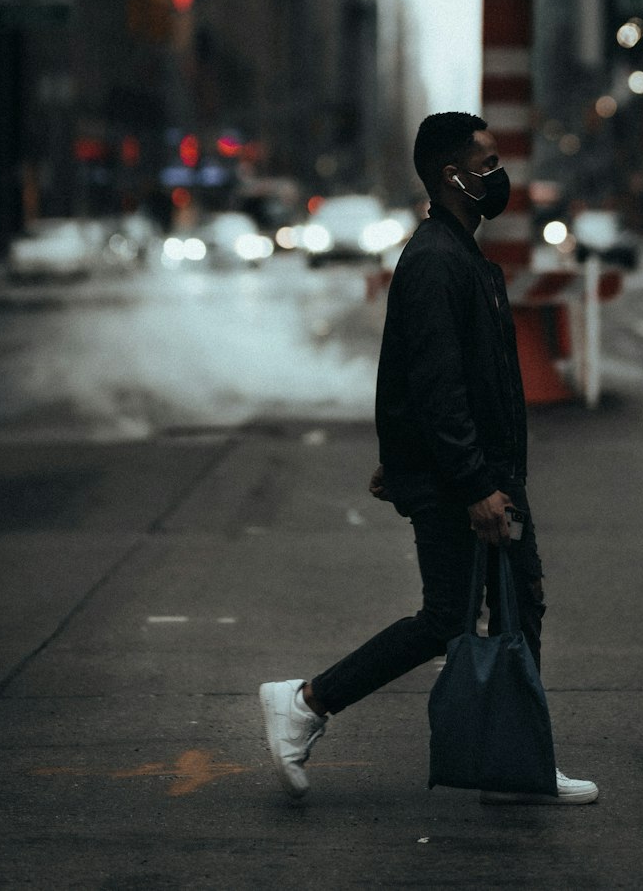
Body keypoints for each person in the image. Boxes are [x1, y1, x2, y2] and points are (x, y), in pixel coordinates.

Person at [258, 112, 598, 806]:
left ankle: (516, 763)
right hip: (469, 477)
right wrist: (473, 485)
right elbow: (437, 383)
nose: (498, 174)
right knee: (454, 615)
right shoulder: (437, 260)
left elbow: (417, 374)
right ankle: (306, 703)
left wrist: (403, 453)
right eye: (488, 161)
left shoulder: (451, 252)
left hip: (467, 469)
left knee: (513, 608)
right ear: (453, 175)